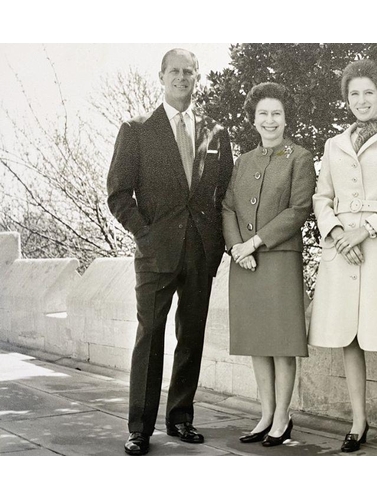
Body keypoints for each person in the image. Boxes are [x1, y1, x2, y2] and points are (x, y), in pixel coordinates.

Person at [107, 48, 234, 455]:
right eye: (174, 71)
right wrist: (145, 235)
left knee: (191, 337)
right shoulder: (137, 128)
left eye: (189, 71)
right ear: (161, 76)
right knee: (150, 336)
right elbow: (118, 194)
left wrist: (215, 245)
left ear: (197, 77)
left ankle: (181, 418)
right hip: (155, 254)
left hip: (200, 252)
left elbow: (223, 195)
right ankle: (139, 428)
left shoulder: (217, 133)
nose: (182, 77)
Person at [308, 59, 377, 454]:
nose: (361, 100)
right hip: (341, 251)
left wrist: (365, 230)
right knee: (348, 337)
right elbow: (322, 196)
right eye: (354, 93)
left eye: (368, 92)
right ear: (346, 99)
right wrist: (337, 232)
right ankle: (358, 421)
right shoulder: (333, 144)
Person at [222, 82, 316, 447]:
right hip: (243, 261)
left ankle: (282, 417)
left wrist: (253, 244)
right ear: (253, 120)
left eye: (276, 113)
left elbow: (298, 210)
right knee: (257, 342)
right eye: (263, 114)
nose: (270, 120)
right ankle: (264, 413)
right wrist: (235, 249)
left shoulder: (300, 157)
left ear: (285, 117)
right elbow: (228, 206)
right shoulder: (244, 160)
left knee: (281, 342)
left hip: (278, 260)